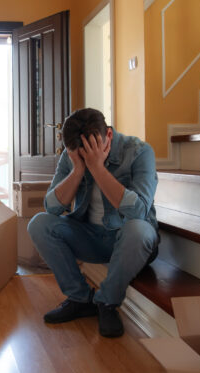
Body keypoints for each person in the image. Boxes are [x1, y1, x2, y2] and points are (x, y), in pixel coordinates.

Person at [27, 108, 159, 338]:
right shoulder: (72, 155)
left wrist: (97, 168)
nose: (85, 158)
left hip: (130, 240)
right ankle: (80, 298)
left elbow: (138, 211)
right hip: (91, 236)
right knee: (39, 224)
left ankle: (107, 303)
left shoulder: (139, 151)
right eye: (79, 155)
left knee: (137, 229)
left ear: (108, 135)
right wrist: (78, 168)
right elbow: (52, 207)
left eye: (90, 153)